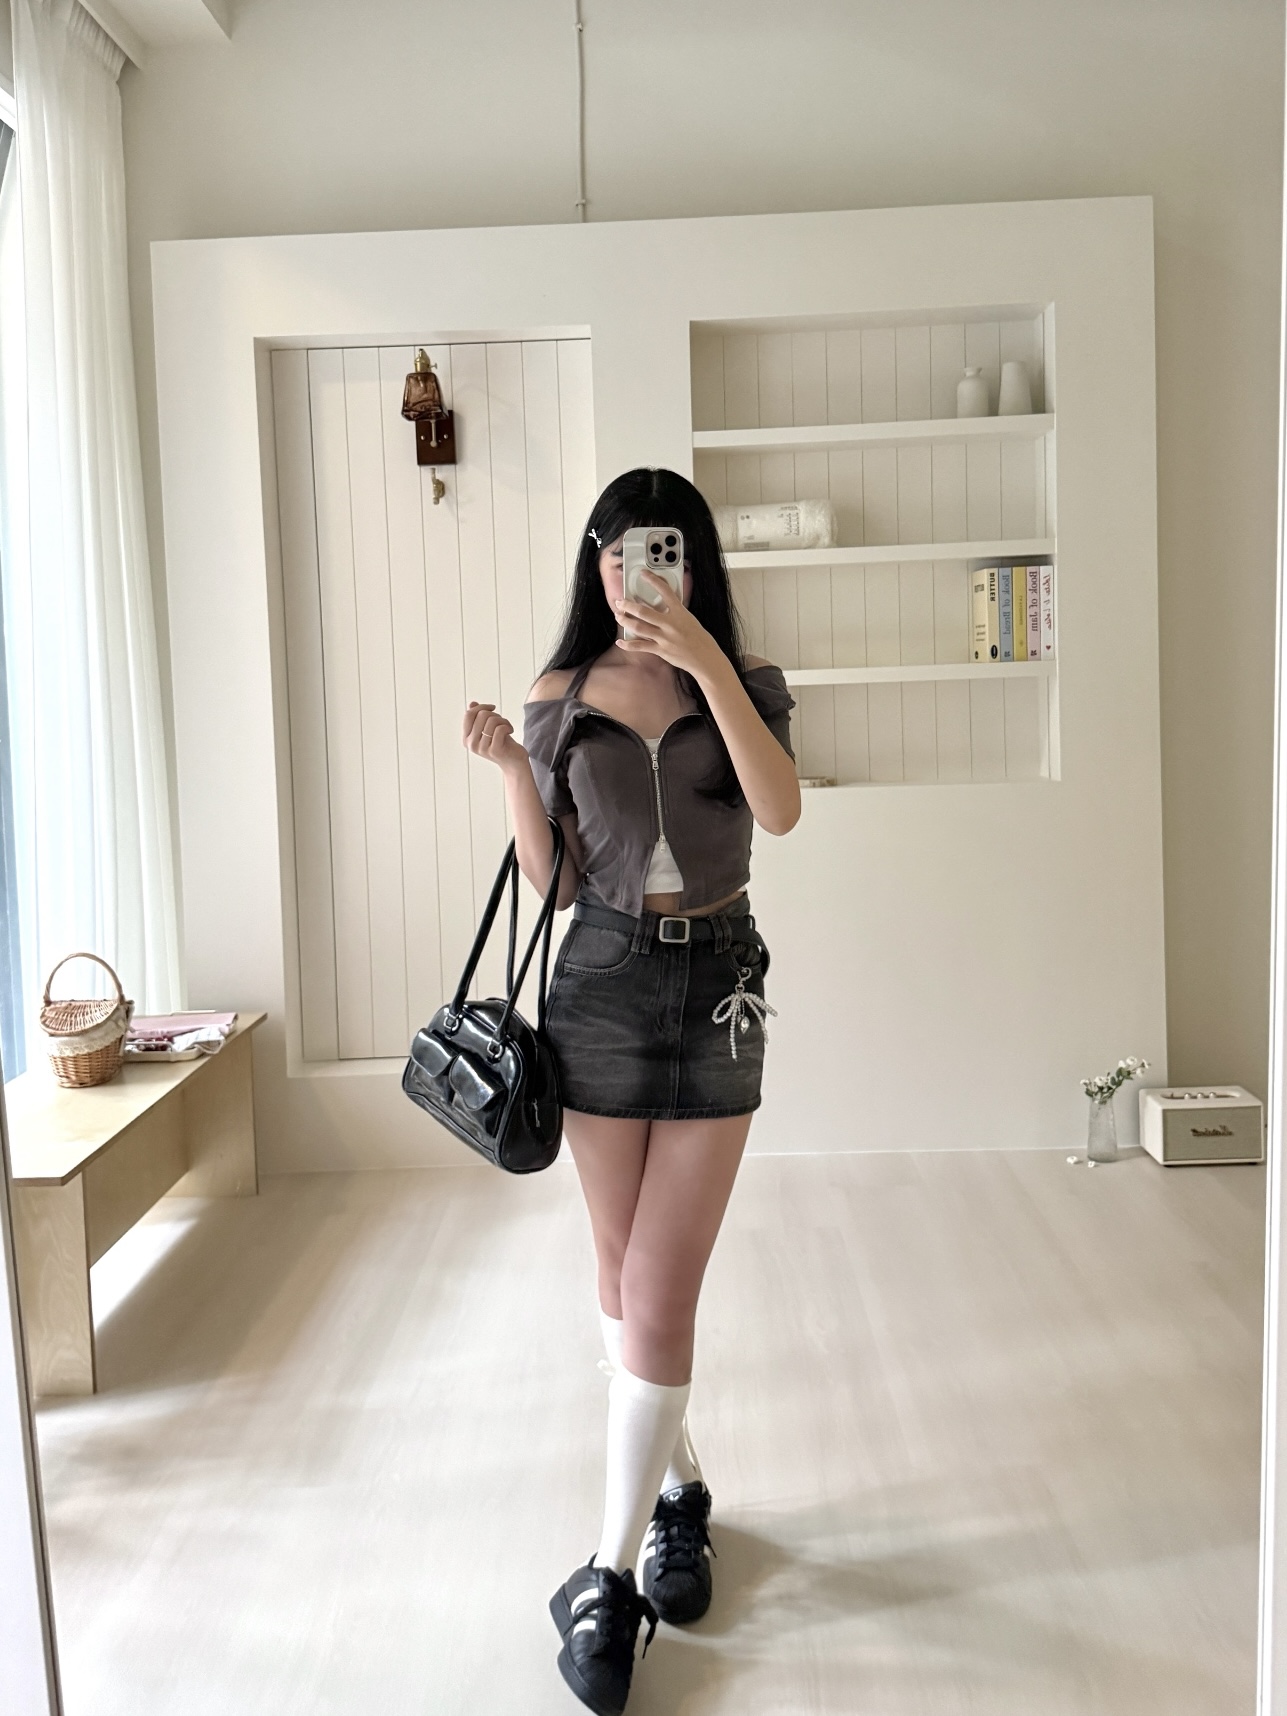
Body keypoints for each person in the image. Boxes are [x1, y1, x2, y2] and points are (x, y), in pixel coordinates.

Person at [461, 467, 800, 1715]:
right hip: (598, 988)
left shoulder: (743, 682)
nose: (635, 570)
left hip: (718, 987)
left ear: (694, 563)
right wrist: (515, 767)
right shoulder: (562, 694)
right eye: (616, 550)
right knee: (622, 1285)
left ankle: (605, 1579)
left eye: (662, 549)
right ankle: (679, 1495)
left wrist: (704, 661)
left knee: (657, 1291)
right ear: (595, 561)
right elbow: (553, 884)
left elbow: (781, 811)